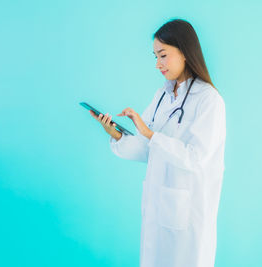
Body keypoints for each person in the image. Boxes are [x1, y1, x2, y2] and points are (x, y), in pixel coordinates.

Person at [90, 18, 226, 267]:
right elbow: (148, 148)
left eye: (163, 55)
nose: (157, 64)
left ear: (184, 51)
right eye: (155, 56)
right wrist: (117, 134)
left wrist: (152, 135)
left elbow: (196, 158)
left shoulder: (209, 100)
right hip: (159, 209)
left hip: (188, 218)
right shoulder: (162, 95)